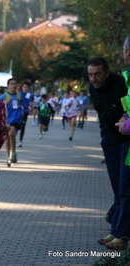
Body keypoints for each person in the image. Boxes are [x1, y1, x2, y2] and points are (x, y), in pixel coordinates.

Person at [87, 56, 130, 251]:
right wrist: (104, 136)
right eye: (90, 75)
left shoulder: (121, 83)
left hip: (126, 142)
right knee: (117, 187)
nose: (93, 79)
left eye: (97, 74)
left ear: (106, 72)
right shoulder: (92, 89)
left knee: (124, 188)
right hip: (109, 142)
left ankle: (120, 233)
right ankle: (115, 229)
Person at [0, 78, 22, 167]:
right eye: (11, 84)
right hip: (6, 120)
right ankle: (8, 157)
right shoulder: (4, 96)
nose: (13, 85)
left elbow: (21, 106)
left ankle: (14, 152)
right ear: (8, 86)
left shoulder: (19, 96)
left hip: (16, 120)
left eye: (15, 84)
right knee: (7, 138)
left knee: (11, 134)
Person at [18, 79, 33, 147]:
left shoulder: (30, 95)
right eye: (24, 87)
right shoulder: (19, 94)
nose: (25, 88)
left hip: (25, 112)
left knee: (23, 126)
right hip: (19, 112)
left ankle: (20, 140)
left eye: (26, 87)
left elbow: (32, 101)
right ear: (22, 87)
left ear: (28, 88)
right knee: (17, 126)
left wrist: (30, 106)